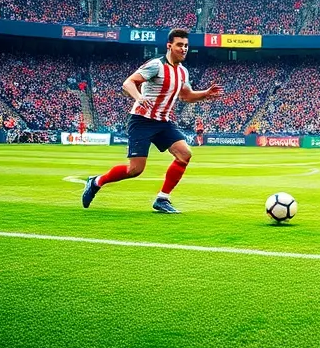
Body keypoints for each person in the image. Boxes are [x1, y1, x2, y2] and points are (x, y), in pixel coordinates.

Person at [81, 29, 223, 212]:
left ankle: (162, 199)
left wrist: (205, 94)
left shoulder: (183, 72)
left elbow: (186, 96)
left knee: (184, 154)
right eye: (180, 45)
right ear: (169, 46)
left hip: (163, 122)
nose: (184, 49)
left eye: (186, 45)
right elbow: (128, 83)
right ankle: (96, 182)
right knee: (135, 170)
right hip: (141, 120)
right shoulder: (156, 65)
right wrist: (139, 97)